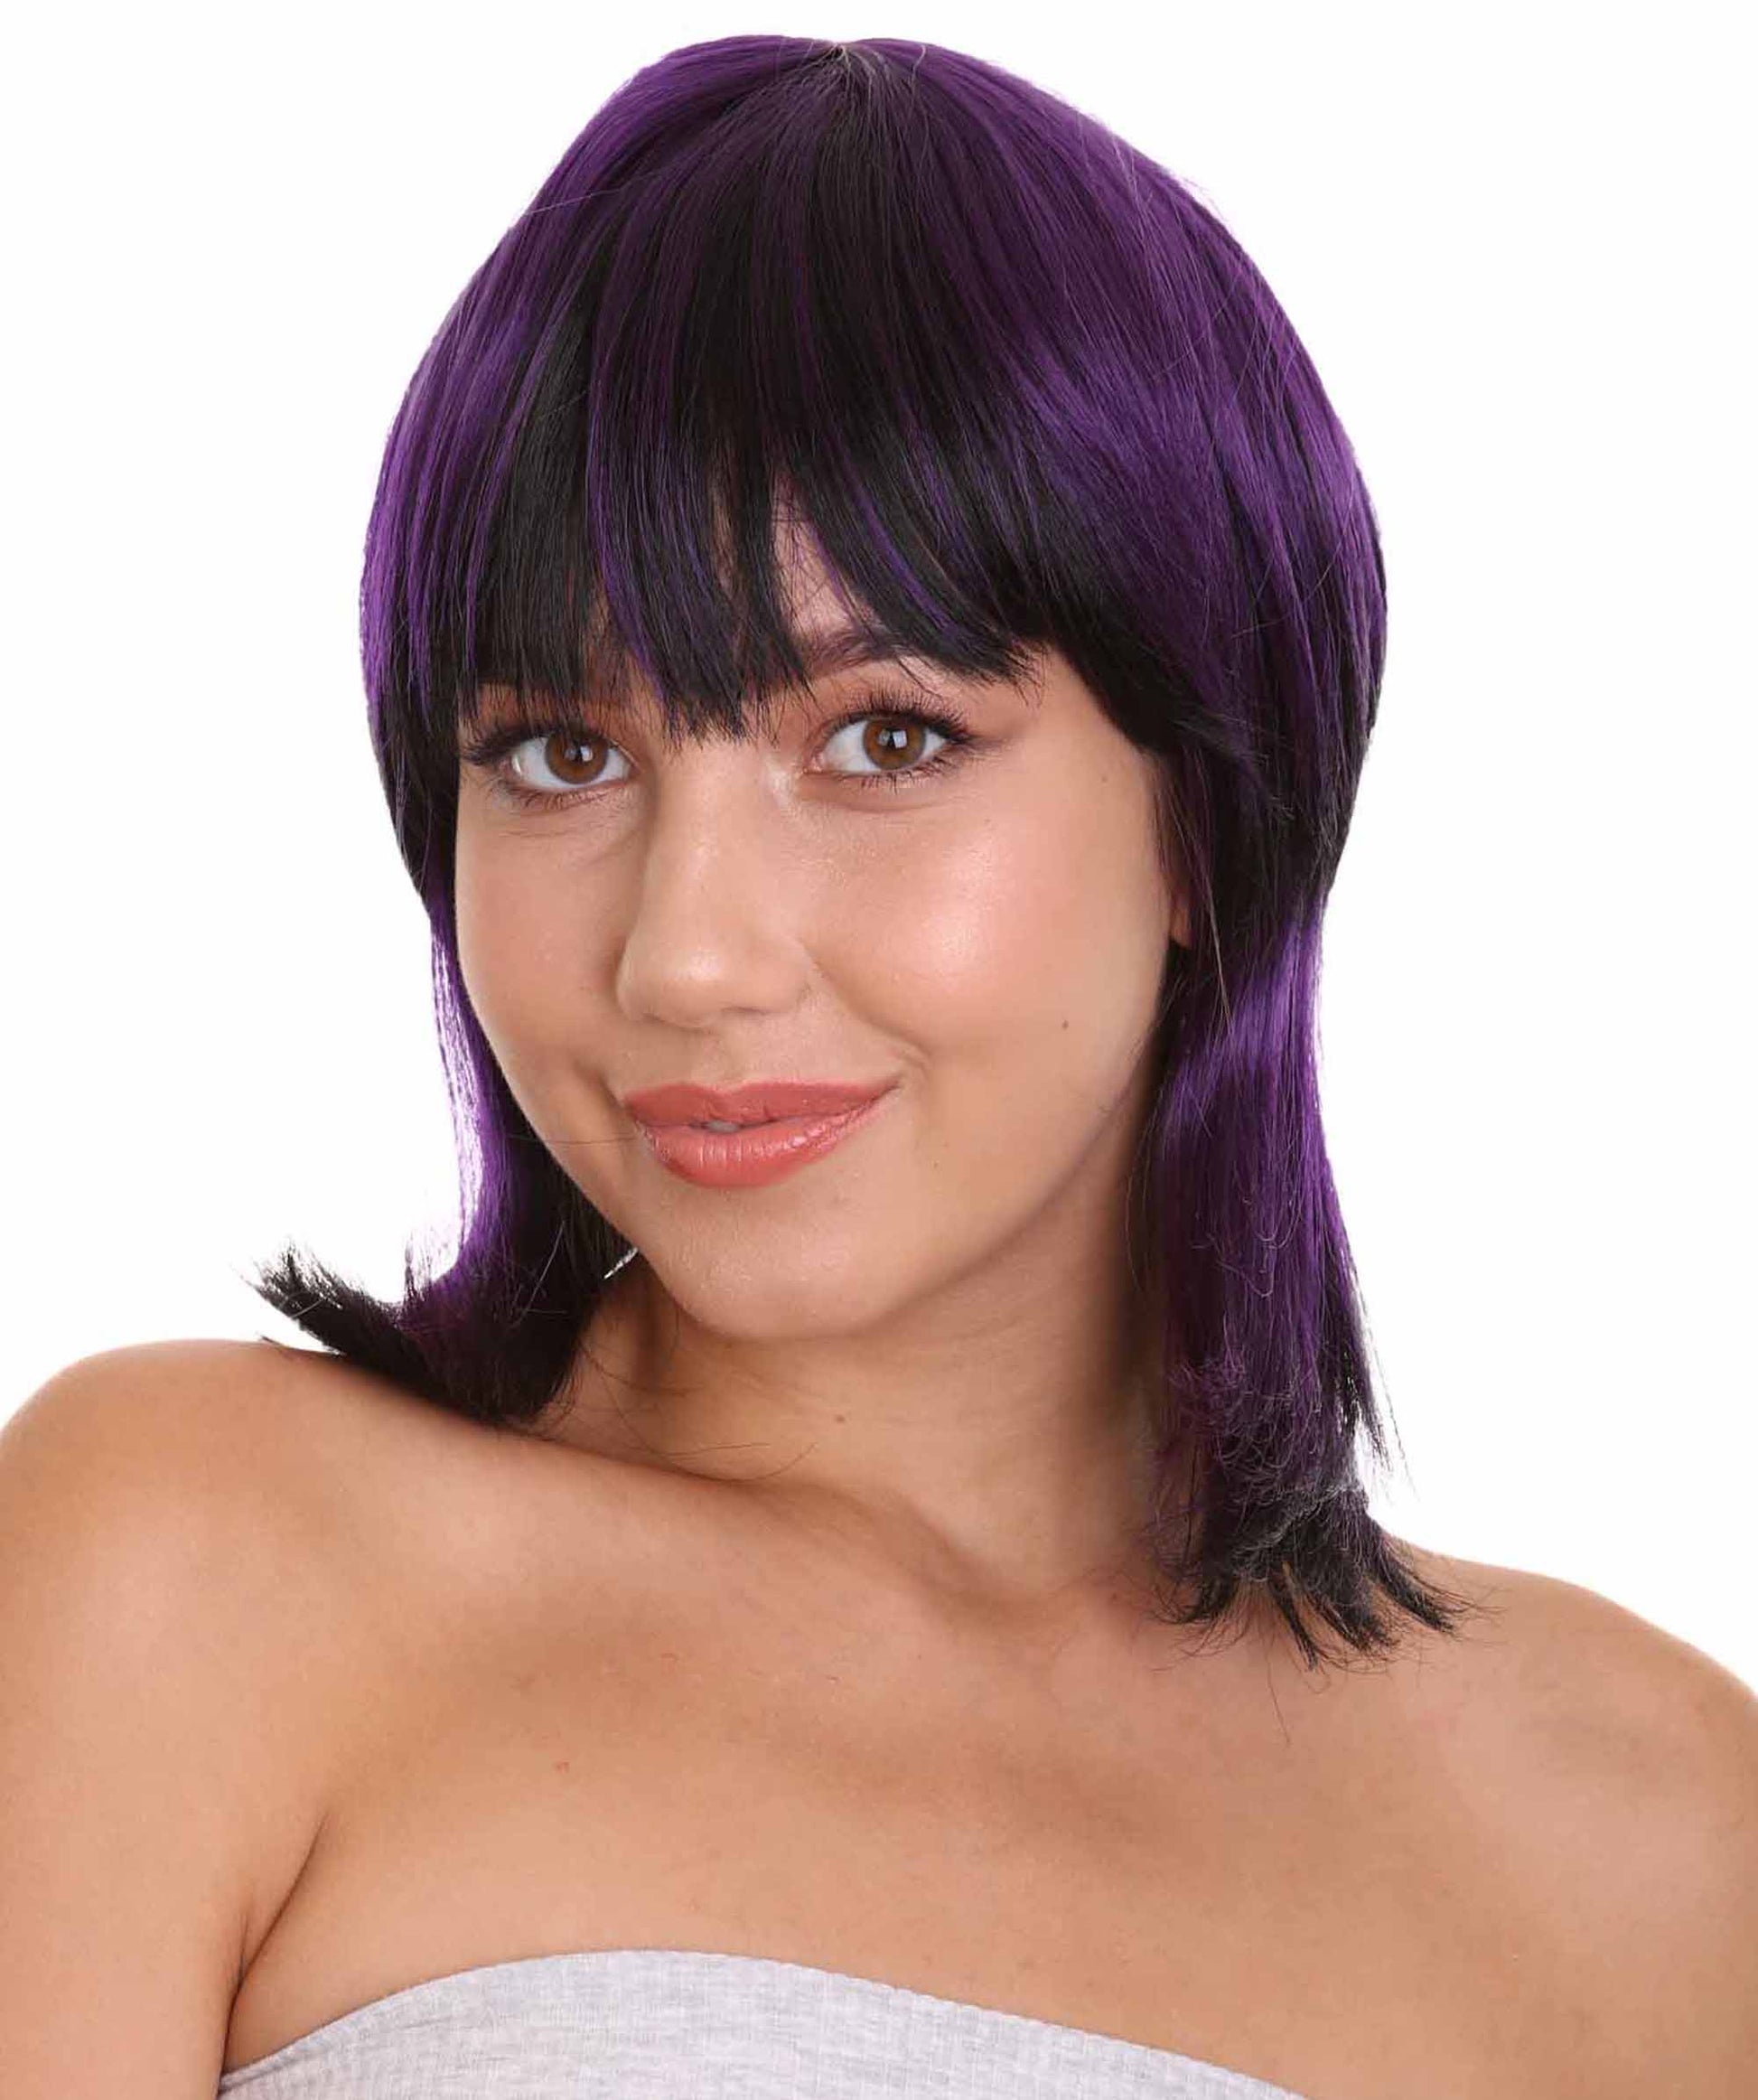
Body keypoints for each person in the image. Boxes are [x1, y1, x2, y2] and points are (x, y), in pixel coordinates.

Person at [3, 33, 1753, 2100]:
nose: (685, 954)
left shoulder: (1658, 1848)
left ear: (1209, 812)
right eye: (558, 751)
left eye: (884, 736)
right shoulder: (181, 1570)